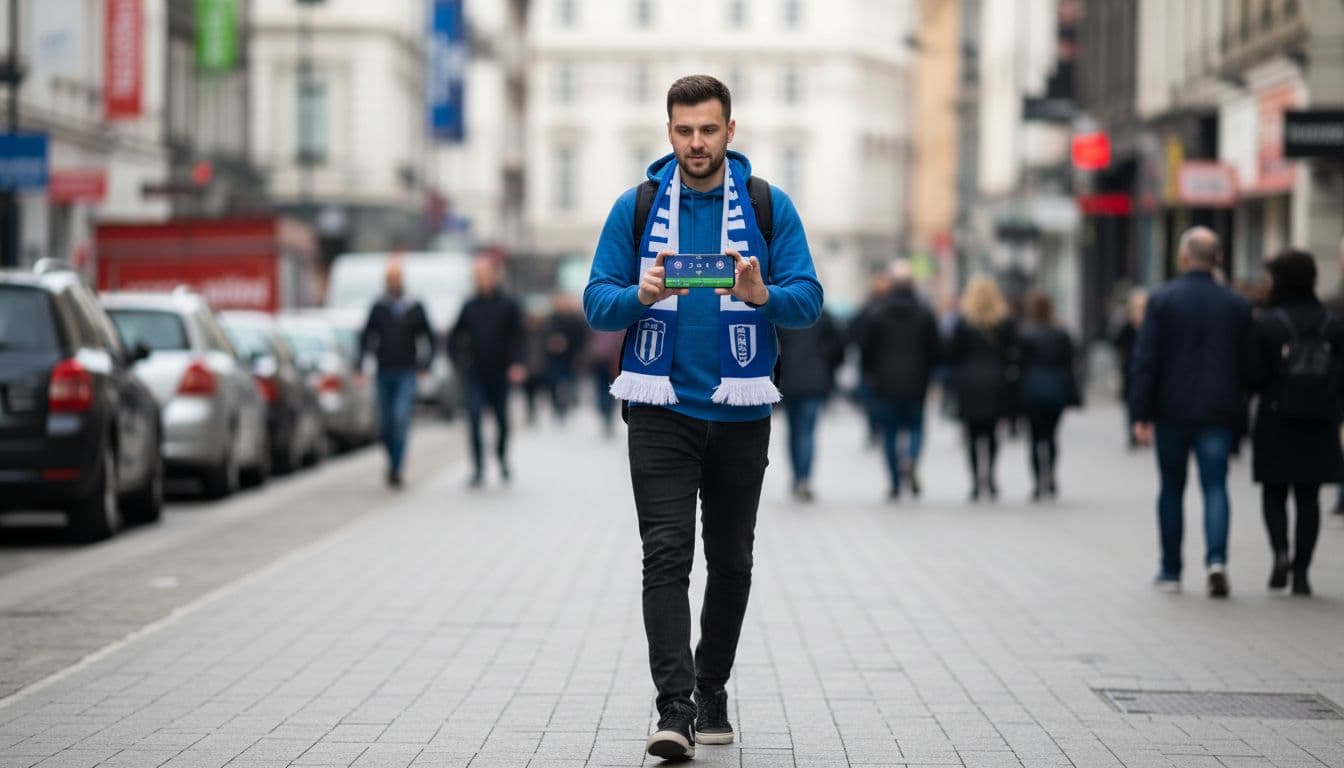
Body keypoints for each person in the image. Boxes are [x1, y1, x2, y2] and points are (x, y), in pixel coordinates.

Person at [584, 75, 822, 761]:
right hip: (659, 410)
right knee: (665, 556)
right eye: (684, 131)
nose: (696, 143)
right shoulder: (634, 210)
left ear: (729, 132)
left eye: (708, 130)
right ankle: (675, 710)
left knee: (733, 560)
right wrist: (637, 292)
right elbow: (597, 301)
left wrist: (764, 292)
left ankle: (712, 686)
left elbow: (809, 299)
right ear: (669, 134)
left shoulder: (766, 207)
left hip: (742, 411)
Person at [1129, 227, 1252, 598]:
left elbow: (1145, 360)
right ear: (1218, 259)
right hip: (1218, 409)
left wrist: (1140, 413)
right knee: (1215, 485)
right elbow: (1247, 365)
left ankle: (1171, 570)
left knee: (1171, 488)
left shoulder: (1162, 300)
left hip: (1172, 409)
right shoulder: (1236, 304)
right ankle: (1217, 561)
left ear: (1184, 258)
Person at [1243, 250, 1344, 596]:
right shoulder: (1332, 324)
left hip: (1276, 418)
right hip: (1320, 419)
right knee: (1309, 496)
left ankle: (1280, 554)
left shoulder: (1268, 323)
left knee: (1274, 491)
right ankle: (1302, 571)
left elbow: (1251, 376)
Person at [856, 259, 942, 499]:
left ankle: (894, 481)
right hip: (917, 380)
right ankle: (911, 459)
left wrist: (869, 374)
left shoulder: (877, 314)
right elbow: (935, 349)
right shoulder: (925, 314)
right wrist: (931, 374)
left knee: (890, 432)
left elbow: (866, 349)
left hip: (884, 382)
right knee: (915, 427)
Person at [448, 256, 527, 487]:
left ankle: (501, 458)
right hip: (474, 373)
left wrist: (517, 363)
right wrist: (459, 362)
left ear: (494, 276)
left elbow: (519, 337)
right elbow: (453, 338)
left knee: (502, 421)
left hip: (501, 373)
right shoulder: (469, 305)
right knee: (473, 419)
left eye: (483, 275)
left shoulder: (508, 304)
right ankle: (478, 468)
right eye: (476, 277)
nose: (480, 280)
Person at [357, 260, 435, 488]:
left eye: (396, 279)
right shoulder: (378, 307)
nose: (393, 283)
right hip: (384, 372)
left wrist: (425, 364)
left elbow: (428, 337)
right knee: (384, 425)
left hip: (407, 372)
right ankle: (392, 461)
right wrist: (359, 365)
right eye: (389, 279)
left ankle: (397, 468)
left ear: (402, 280)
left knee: (400, 418)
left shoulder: (415, 307)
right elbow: (366, 337)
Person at [946, 276, 1019, 501]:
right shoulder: (1004, 321)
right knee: (992, 433)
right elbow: (1013, 352)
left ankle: (977, 481)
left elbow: (952, 354)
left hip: (969, 382)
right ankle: (991, 477)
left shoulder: (963, 321)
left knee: (973, 434)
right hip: (996, 381)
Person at [1018, 291, 1081, 500]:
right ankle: (1051, 475)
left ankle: (1037, 482)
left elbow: (1019, 364)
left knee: (1035, 438)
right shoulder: (1061, 333)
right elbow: (1071, 362)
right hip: (1056, 389)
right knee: (1051, 436)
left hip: (1032, 389)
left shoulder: (1025, 334)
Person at [777, 308, 844, 501]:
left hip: (789, 379)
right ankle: (804, 478)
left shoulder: (783, 313)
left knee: (794, 431)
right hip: (815, 379)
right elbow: (839, 346)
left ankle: (797, 476)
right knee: (807, 431)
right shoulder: (822, 314)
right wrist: (826, 364)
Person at [541, 293, 590, 422]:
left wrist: (568, 345)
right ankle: (557, 406)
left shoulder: (576, 320)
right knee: (554, 383)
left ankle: (566, 404)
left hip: (571, 358)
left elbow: (582, 338)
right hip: (553, 358)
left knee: (568, 383)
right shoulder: (551, 319)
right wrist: (552, 343)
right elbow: (543, 336)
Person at [1112, 288, 1147, 448]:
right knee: (1130, 402)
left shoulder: (1151, 323)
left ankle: (1143, 430)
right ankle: (1133, 432)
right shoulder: (1128, 325)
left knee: (1145, 399)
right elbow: (1116, 342)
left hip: (1146, 368)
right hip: (1130, 369)